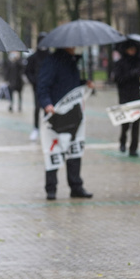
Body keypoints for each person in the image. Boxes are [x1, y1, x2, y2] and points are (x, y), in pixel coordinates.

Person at [37, 46, 94, 201]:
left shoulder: (72, 61)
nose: (75, 47)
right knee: (54, 150)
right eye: (73, 45)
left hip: (73, 115)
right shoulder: (52, 61)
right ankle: (51, 188)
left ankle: (76, 186)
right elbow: (42, 86)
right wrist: (46, 104)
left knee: (74, 150)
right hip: (55, 115)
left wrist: (84, 83)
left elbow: (70, 84)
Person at [112, 39, 140, 157]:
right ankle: (122, 141)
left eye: (134, 49)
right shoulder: (120, 63)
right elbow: (117, 79)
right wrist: (131, 74)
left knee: (136, 124)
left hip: (138, 96)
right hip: (125, 96)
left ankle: (133, 148)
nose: (132, 51)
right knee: (125, 123)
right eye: (130, 49)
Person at [24, 32, 49, 141]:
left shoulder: (50, 57)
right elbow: (27, 71)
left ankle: (47, 128)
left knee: (47, 108)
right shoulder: (33, 57)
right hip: (37, 88)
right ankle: (36, 128)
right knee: (37, 108)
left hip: (49, 88)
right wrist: (34, 81)